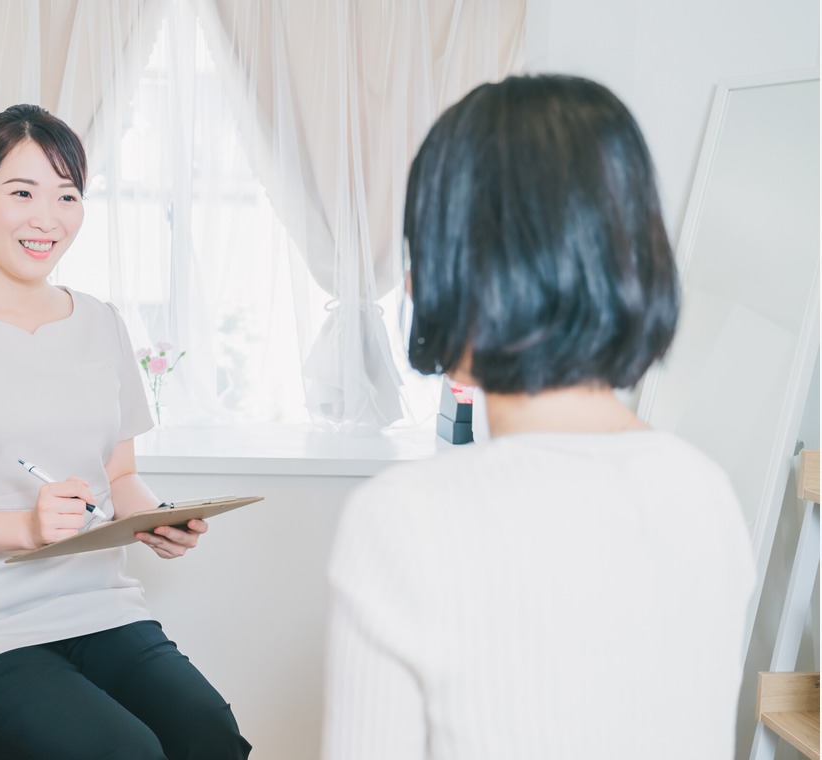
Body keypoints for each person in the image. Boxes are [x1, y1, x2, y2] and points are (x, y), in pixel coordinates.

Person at [322, 75, 755, 759]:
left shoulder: (404, 519)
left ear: (465, 270)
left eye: (422, 250)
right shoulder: (708, 491)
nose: (410, 281)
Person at [0, 104, 250, 760]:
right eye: (22, 192)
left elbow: (119, 475)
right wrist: (26, 529)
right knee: (126, 753)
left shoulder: (101, 324)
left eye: (66, 195)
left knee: (210, 738)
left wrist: (153, 519)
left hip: (97, 606)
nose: (47, 218)